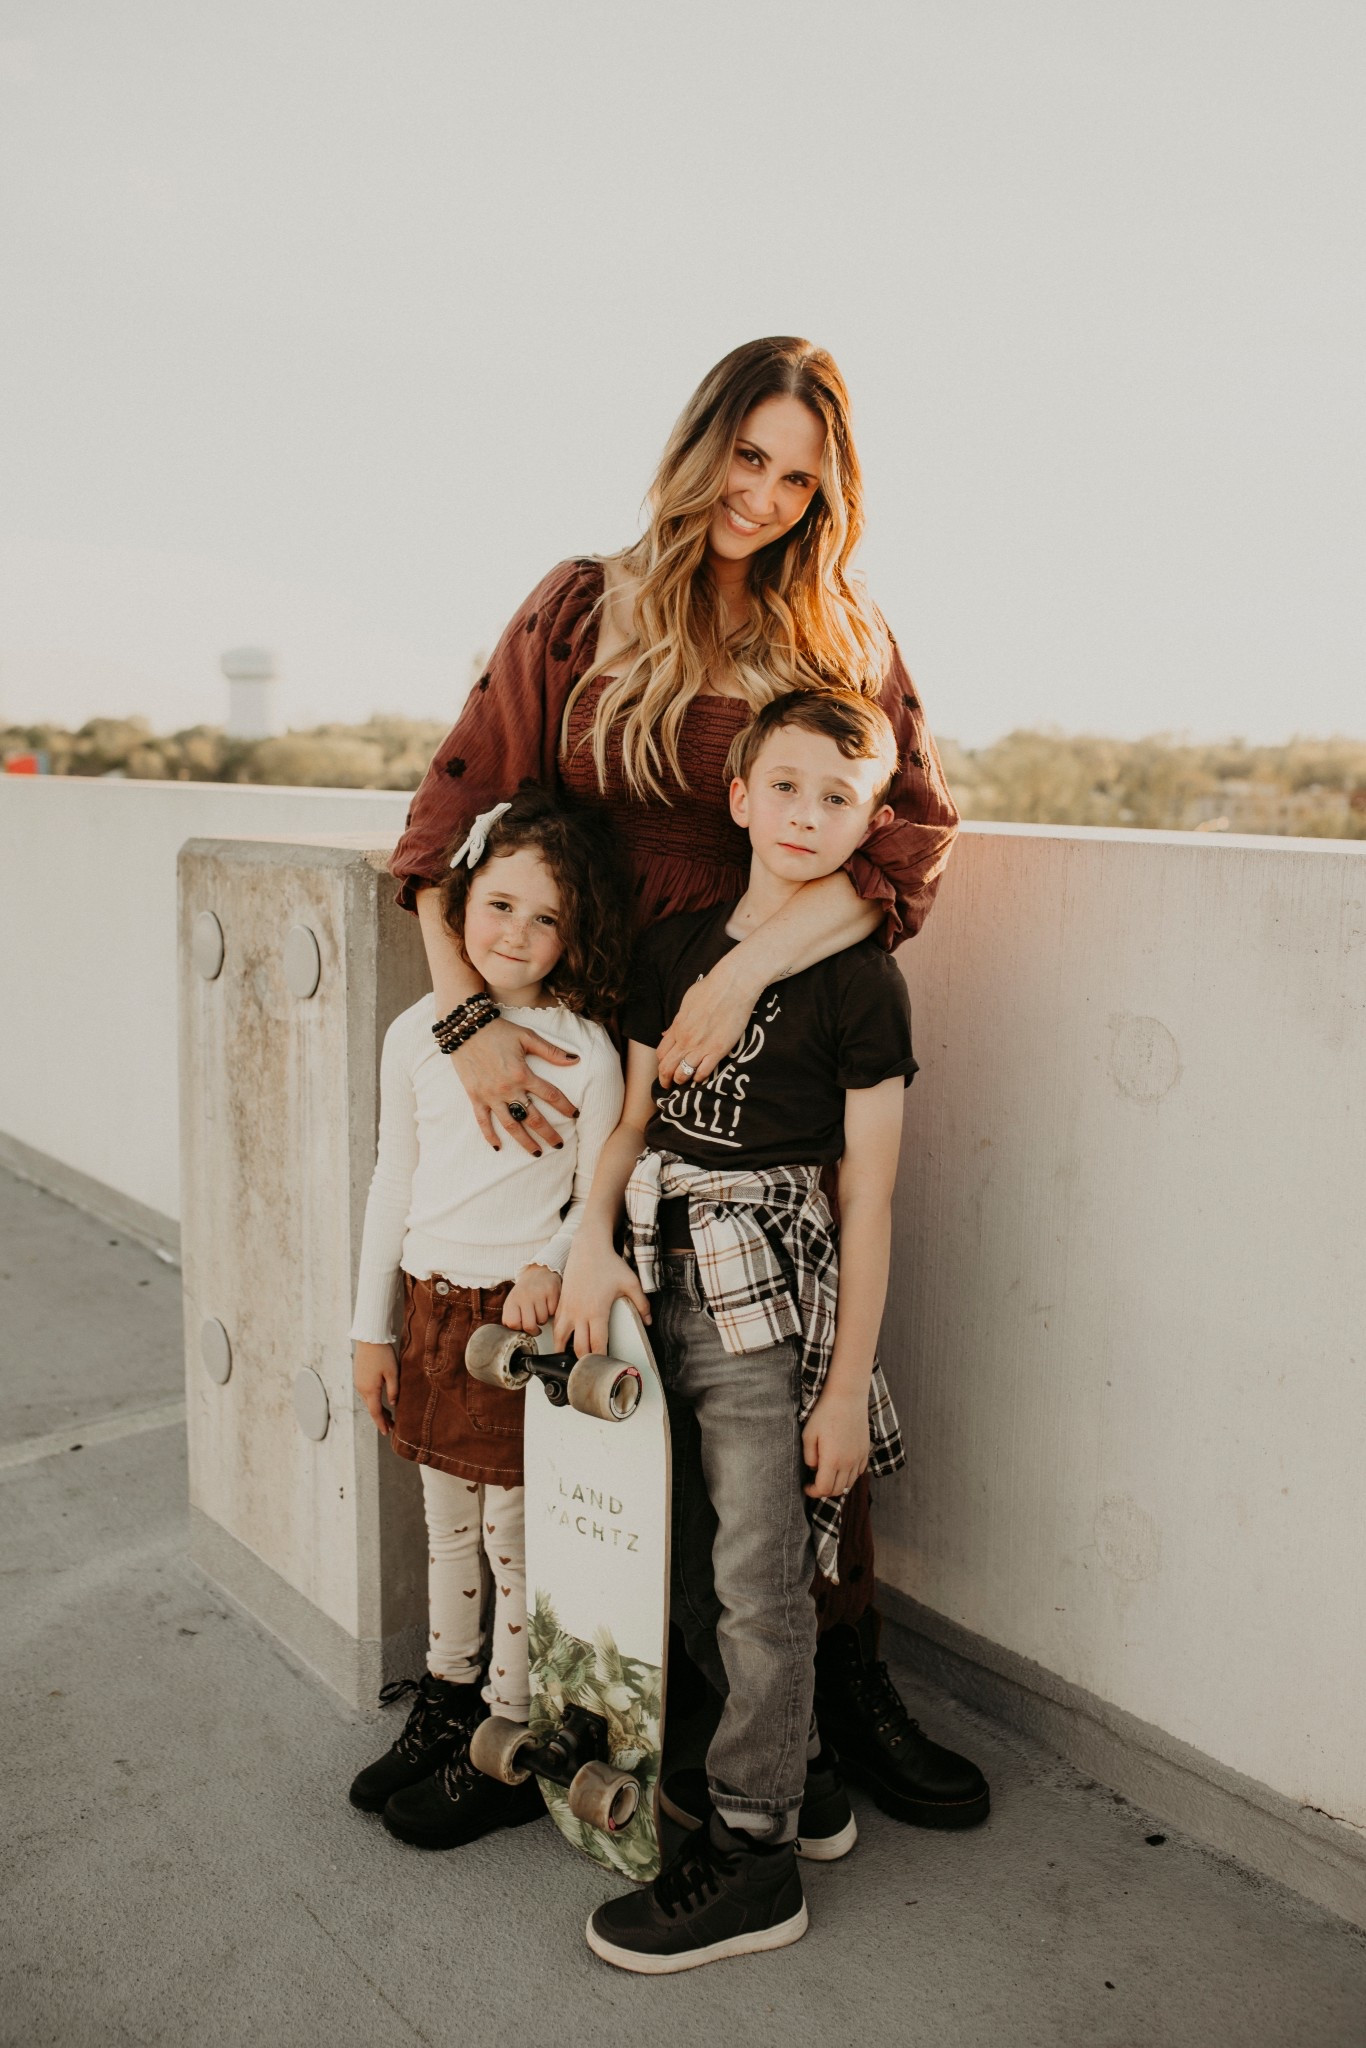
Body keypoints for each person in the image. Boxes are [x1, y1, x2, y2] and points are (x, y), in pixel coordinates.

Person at [387, 336, 988, 1829]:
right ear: (699, 441)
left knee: (784, 1378)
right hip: (595, 1049)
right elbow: (445, 826)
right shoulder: (580, 604)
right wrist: (466, 1018)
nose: (765, 498)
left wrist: (739, 973)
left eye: (799, 477)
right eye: (747, 458)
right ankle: (506, 1706)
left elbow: (908, 848)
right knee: (545, 1357)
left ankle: (836, 1680)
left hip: (769, 1056)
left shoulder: (845, 631)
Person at [555, 689, 917, 1971]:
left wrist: (845, 1383)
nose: (809, 814)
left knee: (761, 1574)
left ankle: (757, 1855)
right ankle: (800, 1776)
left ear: (871, 819)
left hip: (764, 1284)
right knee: (690, 1547)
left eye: (840, 796)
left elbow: (865, 1192)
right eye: (788, 786)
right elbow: (635, 1114)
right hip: (655, 1263)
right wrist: (589, 1234)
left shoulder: (863, 981)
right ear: (739, 796)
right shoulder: (674, 948)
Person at [347, 787, 629, 1850]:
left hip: (508, 1334)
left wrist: (548, 1266)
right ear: (461, 900)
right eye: (496, 904)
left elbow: (593, 1192)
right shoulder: (419, 1033)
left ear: (573, 932)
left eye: (543, 916)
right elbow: (393, 1177)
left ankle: (509, 1735)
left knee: (515, 1539)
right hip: (424, 1311)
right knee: (446, 1526)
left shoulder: (587, 1051)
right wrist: (367, 1328)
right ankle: (447, 1699)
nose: (512, 932)